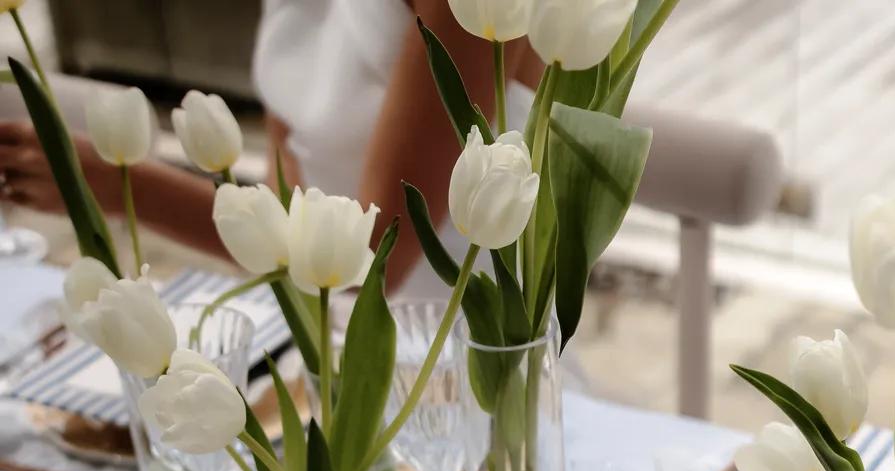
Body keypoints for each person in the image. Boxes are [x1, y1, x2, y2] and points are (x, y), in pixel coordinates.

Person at [0, 0, 538, 291]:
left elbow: (376, 257)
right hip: (327, 334)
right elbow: (293, 185)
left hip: (464, 355)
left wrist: (118, 186)